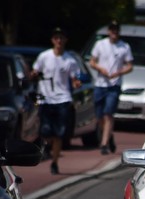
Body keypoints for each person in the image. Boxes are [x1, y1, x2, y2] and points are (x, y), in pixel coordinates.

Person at [31, 27, 82, 175]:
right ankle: (47, 148)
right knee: (46, 131)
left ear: (65, 40)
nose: (59, 41)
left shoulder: (70, 60)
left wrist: (76, 83)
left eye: (61, 38)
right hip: (46, 99)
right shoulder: (44, 57)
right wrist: (33, 74)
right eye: (56, 38)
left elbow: (75, 79)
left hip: (63, 99)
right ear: (53, 40)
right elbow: (35, 71)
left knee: (59, 133)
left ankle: (54, 162)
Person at [89, 20, 134, 155]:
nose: (114, 32)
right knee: (99, 117)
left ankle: (104, 144)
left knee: (108, 114)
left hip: (114, 85)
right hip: (100, 84)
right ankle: (109, 135)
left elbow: (130, 65)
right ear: (109, 31)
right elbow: (92, 61)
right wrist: (100, 68)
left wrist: (119, 72)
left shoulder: (124, 47)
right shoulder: (100, 44)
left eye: (116, 30)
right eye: (112, 30)